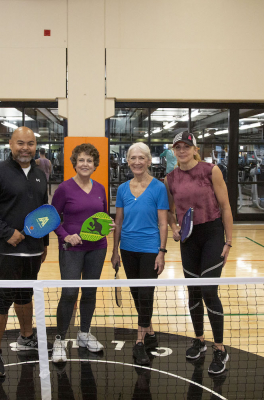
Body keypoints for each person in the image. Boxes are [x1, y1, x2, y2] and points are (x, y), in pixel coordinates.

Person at [0, 126, 52, 379]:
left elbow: (44, 213)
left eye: (30, 143)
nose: (25, 148)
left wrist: (45, 243)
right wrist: (6, 232)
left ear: (35, 146)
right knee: (2, 298)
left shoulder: (40, 174)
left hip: (33, 250)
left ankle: (26, 337)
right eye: (20, 143)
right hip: (6, 250)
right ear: (10, 144)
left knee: (25, 294)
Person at [164, 131, 233, 375]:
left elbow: (225, 207)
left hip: (213, 234)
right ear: (173, 151)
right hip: (188, 239)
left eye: (186, 146)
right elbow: (171, 211)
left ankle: (220, 348)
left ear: (195, 148)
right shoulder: (170, 178)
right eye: (177, 147)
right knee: (193, 290)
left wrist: (229, 241)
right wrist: (174, 228)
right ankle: (199, 340)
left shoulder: (211, 170)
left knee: (208, 290)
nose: (182, 150)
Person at [51, 143, 110, 363]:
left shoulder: (100, 188)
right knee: (69, 294)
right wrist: (65, 235)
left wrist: (107, 225)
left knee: (90, 292)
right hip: (71, 250)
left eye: (89, 161)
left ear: (95, 165)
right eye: (81, 160)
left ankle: (84, 333)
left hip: (97, 248)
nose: (85, 164)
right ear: (75, 163)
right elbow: (53, 217)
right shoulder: (64, 189)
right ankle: (59, 340)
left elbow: (103, 216)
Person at [111, 142, 169, 365]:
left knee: (146, 293)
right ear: (128, 160)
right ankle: (150, 332)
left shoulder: (158, 188)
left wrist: (161, 252)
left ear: (148, 161)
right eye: (133, 158)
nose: (137, 162)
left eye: (141, 158)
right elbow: (119, 221)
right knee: (137, 294)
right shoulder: (123, 189)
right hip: (127, 249)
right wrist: (114, 251)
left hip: (149, 249)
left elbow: (163, 223)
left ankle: (139, 341)